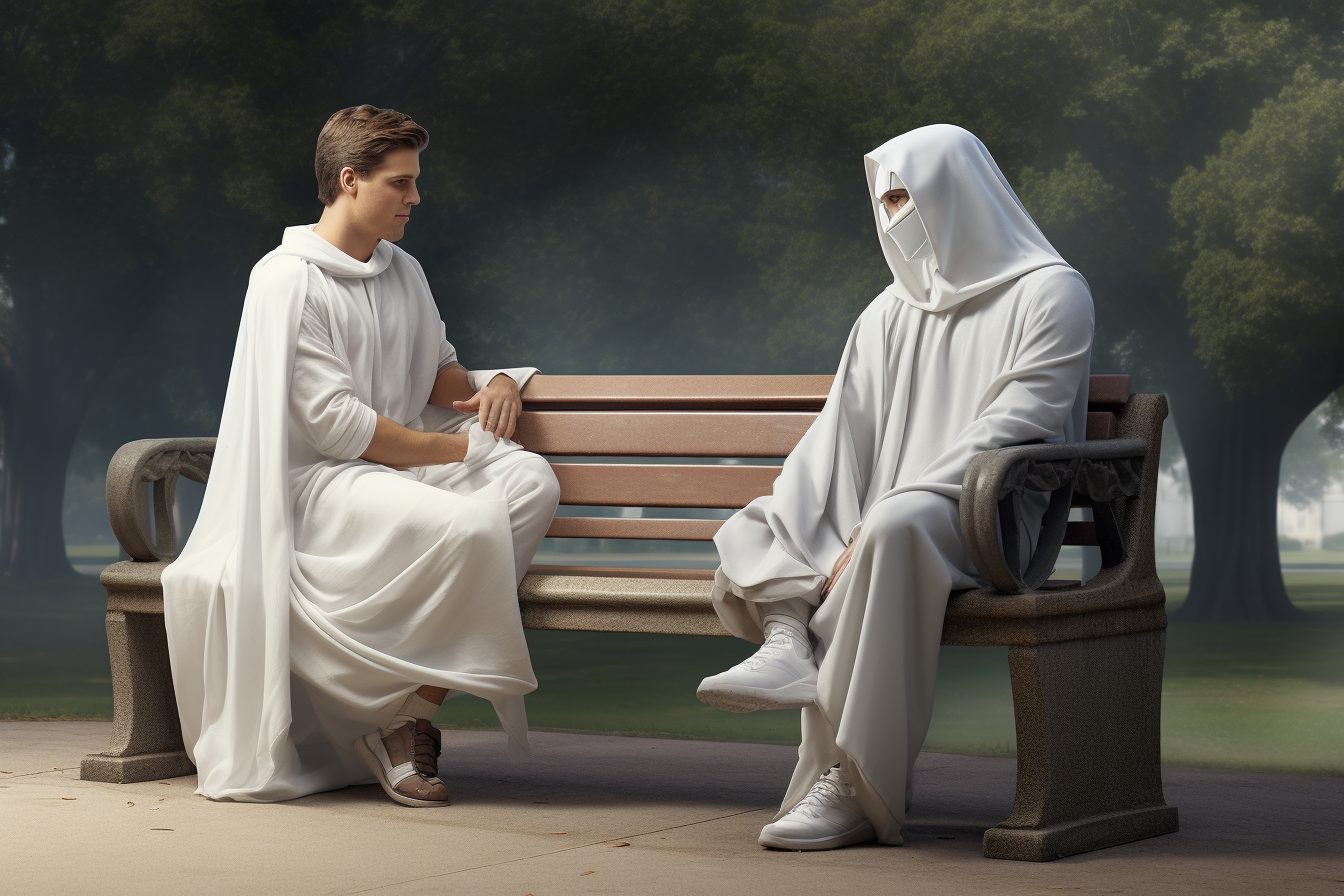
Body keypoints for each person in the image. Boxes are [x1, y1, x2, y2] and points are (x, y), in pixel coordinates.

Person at [695, 124, 1094, 850]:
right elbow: (840, 432)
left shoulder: (1051, 292)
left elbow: (1016, 425)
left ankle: (856, 783)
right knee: (773, 513)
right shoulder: (887, 309)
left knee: (895, 528)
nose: (893, 215)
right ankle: (787, 641)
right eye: (883, 200)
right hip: (888, 510)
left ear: (958, 189)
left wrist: (875, 516)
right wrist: (814, 507)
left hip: (987, 514)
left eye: (905, 194)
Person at [162, 105, 560, 807]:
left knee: (529, 481)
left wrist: (499, 383)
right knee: (469, 525)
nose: (415, 197)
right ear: (350, 180)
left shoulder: (403, 269)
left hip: (396, 471)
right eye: (400, 183)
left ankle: (410, 717)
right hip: (319, 486)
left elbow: (441, 375)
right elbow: (340, 429)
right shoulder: (286, 279)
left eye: (414, 182)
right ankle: (401, 728)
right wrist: (462, 449)